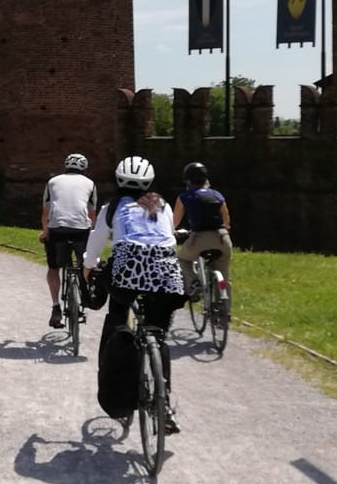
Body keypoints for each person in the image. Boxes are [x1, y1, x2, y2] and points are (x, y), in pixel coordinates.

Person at [84, 155, 184, 432]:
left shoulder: (112, 206)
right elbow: (170, 237)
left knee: (118, 315)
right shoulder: (162, 205)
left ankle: (119, 368)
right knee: (158, 334)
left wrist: (89, 267)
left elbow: (96, 241)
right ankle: (163, 404)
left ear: (117, 181)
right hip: (166, 273)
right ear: (150, 182)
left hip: (127, 271)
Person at [38, 153, 97, 329]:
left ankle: (56, 307)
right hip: (81, 230)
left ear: (66, 167)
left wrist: (45, 232)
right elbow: (92, 213)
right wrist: (91, 233)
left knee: (53, 267)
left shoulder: (52, 182)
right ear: (84, 170)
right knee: (84, 264)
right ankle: (84, 295)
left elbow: (45, 213)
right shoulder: (90, 184)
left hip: (57, 230)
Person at [171, 161, 232, 299]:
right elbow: (226, 219)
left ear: (187, 180)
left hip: (199, 239)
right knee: (224, 277)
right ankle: (225, 313)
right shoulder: (217, 195)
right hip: (222, 238)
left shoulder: (185, 196)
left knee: (182, 259)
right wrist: (226, 228)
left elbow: (175, 221)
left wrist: (172, 231)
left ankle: (194, 282)